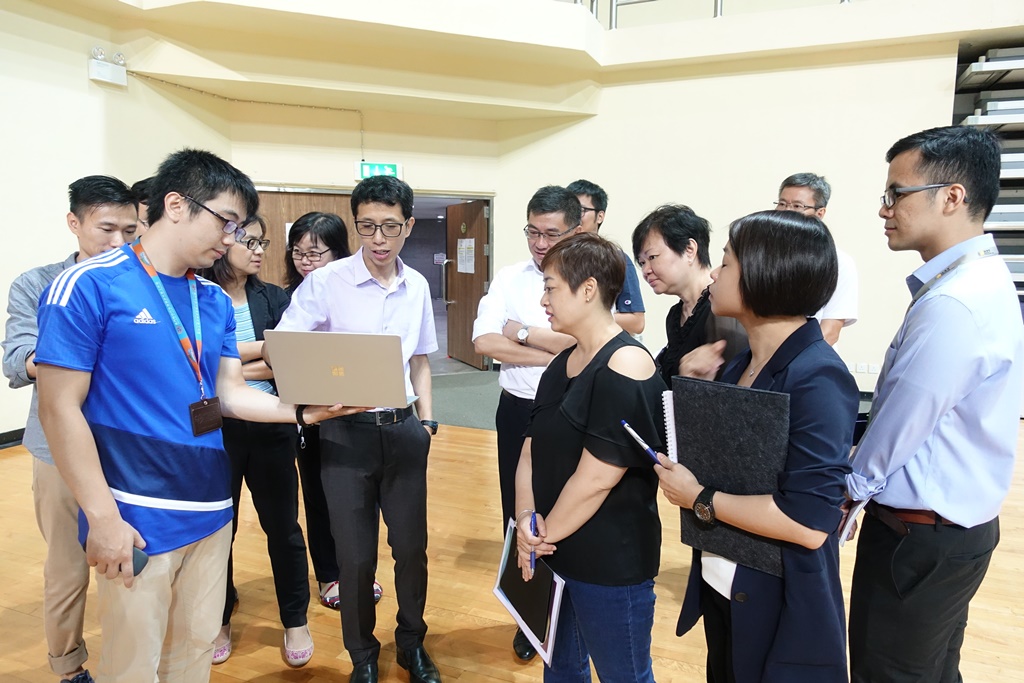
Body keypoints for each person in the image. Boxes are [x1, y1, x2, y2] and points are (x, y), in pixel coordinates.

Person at [33, 149, 359, 683]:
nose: (231, 239)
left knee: (194, 653)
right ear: (176, 204)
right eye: (225, 222)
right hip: (137, 517)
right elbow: (58, 407)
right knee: (132, 666)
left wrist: (302, 411)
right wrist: (104, 518)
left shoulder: (211, 298)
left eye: (238, 228)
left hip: (210, 510)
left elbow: (229, 393)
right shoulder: (89, 285)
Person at [846, 125, 1024, 682]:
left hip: (918, 538)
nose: (885, 209)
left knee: (889, 672)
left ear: (952, 197)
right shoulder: (981, 279)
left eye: (897, 194)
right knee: (932, 669)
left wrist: (846, 492)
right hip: (952, 531)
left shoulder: (955, 301)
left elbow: (903, 419)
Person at [655, 211, 858, 682]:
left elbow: (809, 523)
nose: (714, 276)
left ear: (764, 274)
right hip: (725, 583)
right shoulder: (738, 363)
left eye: (725, 263)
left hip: (779, 600)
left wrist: (698, 498)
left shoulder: (819, 377)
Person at [273, 175, 440, 683]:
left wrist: (427, 422)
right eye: (367, 226)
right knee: (355, 556)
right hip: (344, 435)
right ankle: (363, 656)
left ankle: (411, 643)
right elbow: (286, 346)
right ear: (356, 226)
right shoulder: (327, 282)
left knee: (411, 549)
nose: (378, 239)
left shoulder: (417, 286)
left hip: (404, 430)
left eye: (390, 226)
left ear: (408, 225)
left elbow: (419, 360)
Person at [2, 175, 138, 683]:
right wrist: (71, 352)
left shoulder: (141, 284)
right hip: (56, 447)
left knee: (129, 556)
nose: (118, 242)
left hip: (127, 445)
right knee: (66, 565)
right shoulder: (38, 284)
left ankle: (128, 658)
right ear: (74, 223)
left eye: (130, 230)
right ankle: (68, 665)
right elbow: (17, 358)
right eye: (106, 229)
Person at [515, 232, 667, 683]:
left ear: (588, 290)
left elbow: (597, 477)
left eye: (550, 287)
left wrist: (538, 537)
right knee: (561, 669)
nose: (543, 300)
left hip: (608, 562)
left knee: (624, 675)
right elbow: (530, 451)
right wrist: (525, 518)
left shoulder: (627, 364)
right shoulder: (561, 363)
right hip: (555, 547)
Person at [197, 217, 314, 667]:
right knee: (217, 532)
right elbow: (198, 361)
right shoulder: (199, 295)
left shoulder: (275, 298)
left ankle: (295, 619)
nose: (259, 249)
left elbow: (288, 358)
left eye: (262, 241)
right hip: (215, 430)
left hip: (272, 424)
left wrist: (228, 367)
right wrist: (259, 351)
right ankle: (219, 618)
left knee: (284, 529)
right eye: (248, 241)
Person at [471, 185, 580, 662]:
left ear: (575, 231)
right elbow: (483, 342)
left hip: (573, 411)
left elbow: (592, 343)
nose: (539, 243)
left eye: (551, 233)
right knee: (518, 513)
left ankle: (571, 613)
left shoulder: (590, 278)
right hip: (518, 408)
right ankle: (529, 617)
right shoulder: (510, 278)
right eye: (532, 232)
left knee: (573, 510)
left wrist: (520, 332)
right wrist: (557, 353)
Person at [283, 212, 383, 610]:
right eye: (298, 253)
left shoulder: (352, 290)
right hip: (310, 414)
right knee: (319, 497)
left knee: (360, 500)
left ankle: (360, 571)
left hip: (356, 410)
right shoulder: (288, 298)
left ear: (338, 253)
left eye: (315, 253)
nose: (305, 262)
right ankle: (329, 573)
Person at [631, 204, 746, 385]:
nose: (646, 270)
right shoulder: (675, 315)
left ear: (689, 249)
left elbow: (732, 390)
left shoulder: (721, 312)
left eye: (652, 257)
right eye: (642, 262)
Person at [773, 173, 858, 345]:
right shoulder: (761, 253)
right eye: (782, 204)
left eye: (797, 206)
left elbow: (830, 332)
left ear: (819, 213)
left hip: (805, 357)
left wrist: (783, 358)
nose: (786, 212)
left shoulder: (839, 263)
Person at [566, 179, 645, 334]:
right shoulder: (556, 259)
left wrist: (586, 317)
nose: (573, 216)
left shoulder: (616, 259)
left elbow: (636, 322)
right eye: (569, 210)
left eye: (580, 210)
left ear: (600, 216)